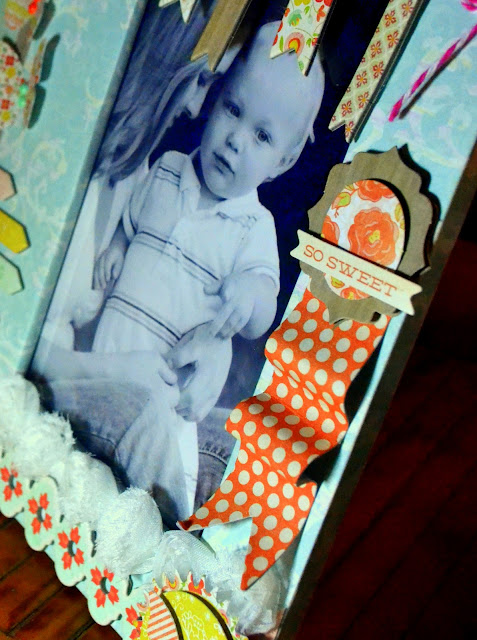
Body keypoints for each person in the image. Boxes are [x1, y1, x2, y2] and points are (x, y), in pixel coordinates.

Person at [86, 21, 325, 522]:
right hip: (109, 353)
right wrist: (118, 247)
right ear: (216, 98)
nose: (235, 140)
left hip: (167, 386)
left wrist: (250, 293)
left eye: (261, 135)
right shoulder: (168, 168)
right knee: (87, 457)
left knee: (155, 488)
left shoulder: (252, 227)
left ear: (283, 162)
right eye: (233, 110)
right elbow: (131, 221)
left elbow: (264, 309)